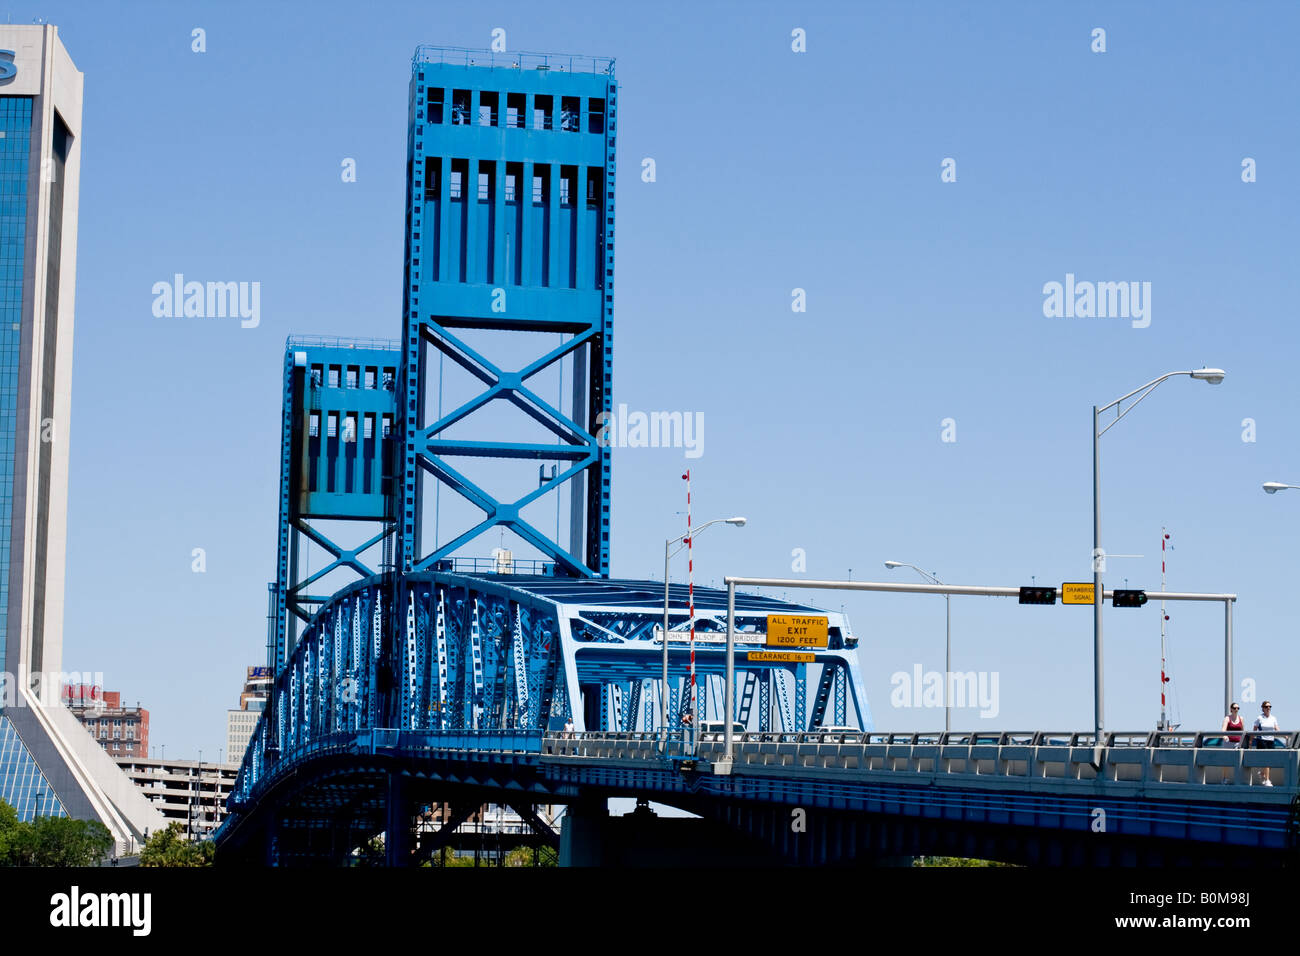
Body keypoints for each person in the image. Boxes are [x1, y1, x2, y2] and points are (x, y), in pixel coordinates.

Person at [1252, 701, 1280, 786]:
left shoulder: (1273, 718)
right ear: (1263, 708)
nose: (1268, 708)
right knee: (1267, 760)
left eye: (1269, 707)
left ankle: (1262, 773)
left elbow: (1276, 728)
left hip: (1271, 741)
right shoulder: (1259, 718)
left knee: (1272, 761)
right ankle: (1267, 780)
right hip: (1262, 740)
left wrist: (1284, 736)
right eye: (1266, 707)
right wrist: (1251, 741)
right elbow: (1254, 729)